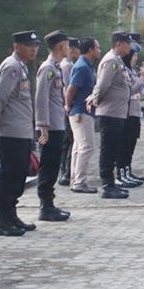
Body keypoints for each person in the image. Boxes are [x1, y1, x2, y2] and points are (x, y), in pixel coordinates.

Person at [0, 30, 42, 237]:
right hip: (10, 132)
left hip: (21, 132)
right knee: (8, 175)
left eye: (36, 46)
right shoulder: (12, 67)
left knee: (18, 176)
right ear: (17, 47)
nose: (33, 49)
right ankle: (2, 219)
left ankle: (11, 215)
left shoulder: (21, 67)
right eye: (29, 45)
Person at [87, 31, 136, 199]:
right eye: (127, 43)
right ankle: (107, 185)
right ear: (119, 44)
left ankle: (112, 183)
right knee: (108, 150)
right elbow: (102, 86)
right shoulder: (111, 61)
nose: (130, 47)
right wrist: (95, 101)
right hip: (109, 113)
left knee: (113, 150)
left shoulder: (118, 61)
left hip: (117, 113)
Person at [32, 30, 72, 223]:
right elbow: (41, 99)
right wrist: (42, 127)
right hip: (50, 127)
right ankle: (45, 206)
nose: (70, 48)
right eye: (67, 45)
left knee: (54, 166)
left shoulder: (55, 68)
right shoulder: (47, 68)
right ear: (60, 47)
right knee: (48, 167)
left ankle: (50, 204)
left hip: (57, 124)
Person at [66, 38, 102, 195]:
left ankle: (75, 179)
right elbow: (71, 89)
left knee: (78, 148)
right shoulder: (82, 67)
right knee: (87, 147)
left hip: (81, 111)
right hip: (81, 112)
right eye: (98, 48)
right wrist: (69, 107)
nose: (99, 51)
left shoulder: (86, 66)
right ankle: (80, 182)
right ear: (90, 49)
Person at [118, 34, 144, 188]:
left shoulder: (131, 70)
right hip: (127, 113)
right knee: (124, 146)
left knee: (130, 145)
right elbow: (130, 90)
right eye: (134, 54)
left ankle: (127, 171)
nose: (136, 57)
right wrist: (142, 77)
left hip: (134, 112)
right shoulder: (124, 70)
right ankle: (121, 173)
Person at [57, 38, 79, 187]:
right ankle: (66, 172)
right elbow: (67, 89)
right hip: (66, 109)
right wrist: (68, 106)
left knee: (69, 141)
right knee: (70, 141)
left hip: (66, 108)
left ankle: (66, 171)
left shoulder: (70, 65)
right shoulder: (67, 66)